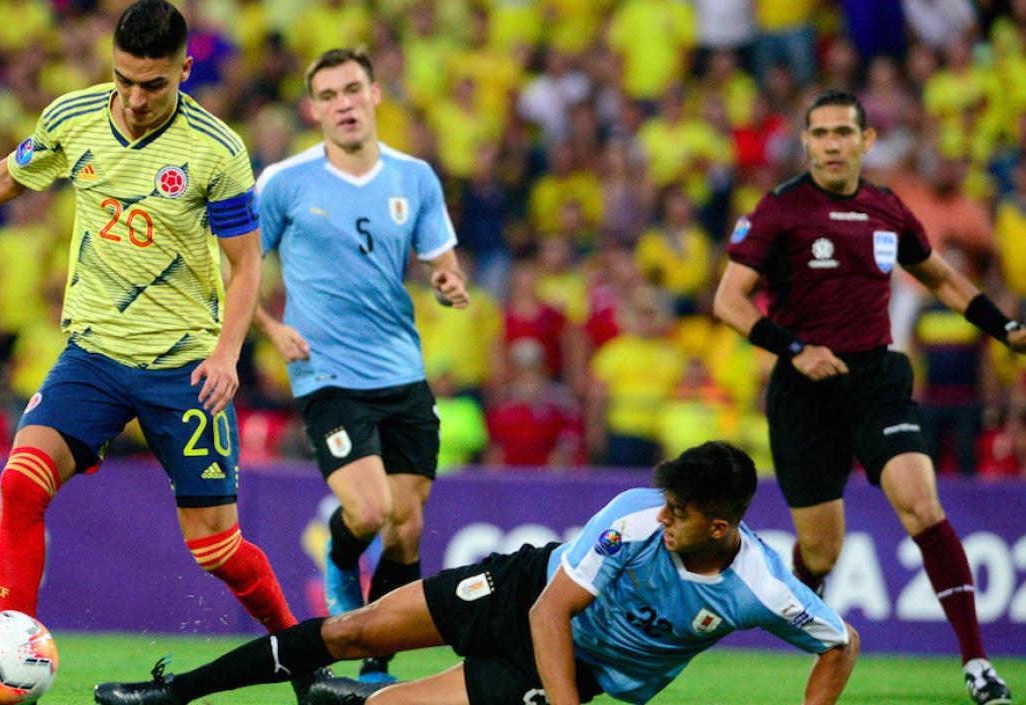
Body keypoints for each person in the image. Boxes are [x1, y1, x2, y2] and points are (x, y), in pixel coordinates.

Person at [0, 2, 301, 702]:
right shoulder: (74, 117)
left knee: (216, 548)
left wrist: (226, 352)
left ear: (185, 70)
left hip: (182, 366)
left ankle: (301, 657)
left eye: (153, 84)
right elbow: (7, 175)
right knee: (20, 483)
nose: (134, 97)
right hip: (91, 354)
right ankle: (4, 672)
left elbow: (245, 265)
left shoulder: (216, 150)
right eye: (124, 79)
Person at [93, 441, 859, 705]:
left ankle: (353, 698)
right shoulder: (635, 512)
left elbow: (839, 643)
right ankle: (176, 691)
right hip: (530, 591)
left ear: (719, 527)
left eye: (680, 514)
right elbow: (551, 609)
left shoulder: (760, 585)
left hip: (580, 667)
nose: (663, 518)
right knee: (353, 627)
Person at [713, 90, 1024, 705]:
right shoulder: (779, 210)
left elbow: (940, 277)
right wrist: (795, 348)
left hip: (877, 382)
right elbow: (728, 300)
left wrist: (1004, 328)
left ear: (866, 141)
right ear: (806, 142)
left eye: (843, 133)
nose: (831, 144)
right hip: (804, 392)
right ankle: (809, 616)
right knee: (821, 550)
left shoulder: (887, 208)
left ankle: (977, 664)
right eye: (820, 133)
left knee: (922, 507)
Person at [251, 47, 470, 683]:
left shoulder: (415, 177)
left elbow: (441, 261)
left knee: (406, 530)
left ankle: (377, 657)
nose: (343, 103)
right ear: (312, 109)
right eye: (329, 95)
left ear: (375, 95)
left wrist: (448, 282)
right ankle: (341, 561)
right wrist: (270, 327)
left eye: (352, 89)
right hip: (326, 373)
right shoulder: (284, 181)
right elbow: (232, 267)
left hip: (401, 371)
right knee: (370, 511)